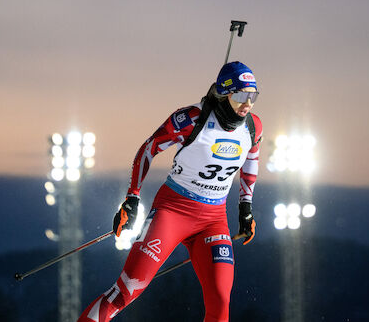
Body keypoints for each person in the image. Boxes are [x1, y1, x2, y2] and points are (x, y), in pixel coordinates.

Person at [78, 61, 263, 322]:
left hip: (214, 220)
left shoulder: (253, 126)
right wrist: (132, 198)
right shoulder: (191, 119)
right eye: (241, 95)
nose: (247, 104)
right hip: (173, 211)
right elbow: (148, 149)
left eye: (253, 96)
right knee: (126, 291)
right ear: (224, 93)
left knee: (220, 302)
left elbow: (252, 158)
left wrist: (246, 207)